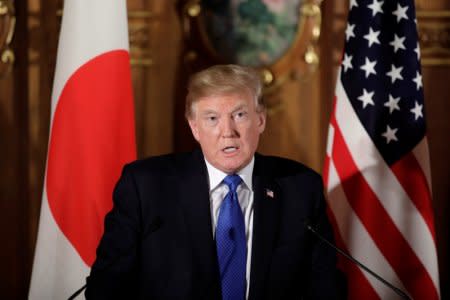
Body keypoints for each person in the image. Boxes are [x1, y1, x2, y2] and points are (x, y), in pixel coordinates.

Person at [85, 64, 343, 299]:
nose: (228, 131)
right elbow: (106, 288)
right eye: (212, 119)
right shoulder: (147, 187)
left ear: (260, 120)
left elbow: (325, 288)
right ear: (195, 127)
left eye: (239, 115)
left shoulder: (300, 189)